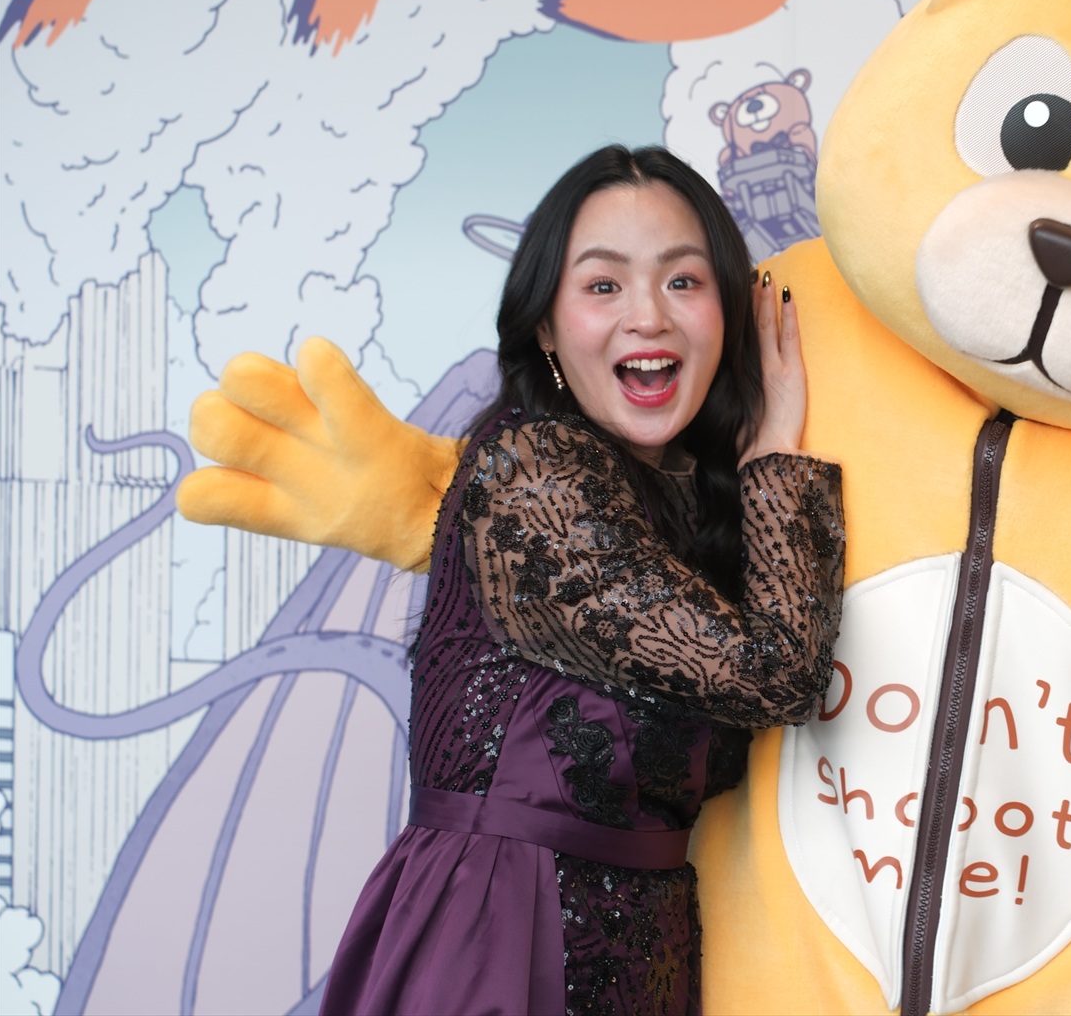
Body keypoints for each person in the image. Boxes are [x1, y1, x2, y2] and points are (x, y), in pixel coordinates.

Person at [319, 145, 846, 1016]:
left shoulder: (683, 501)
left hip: (645, 956)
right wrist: (779, 461)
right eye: (604, 285)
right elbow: (778, 673)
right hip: (496, 938)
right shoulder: (533, 471)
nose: (650, 316)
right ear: (545, 327)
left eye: (684, 281)